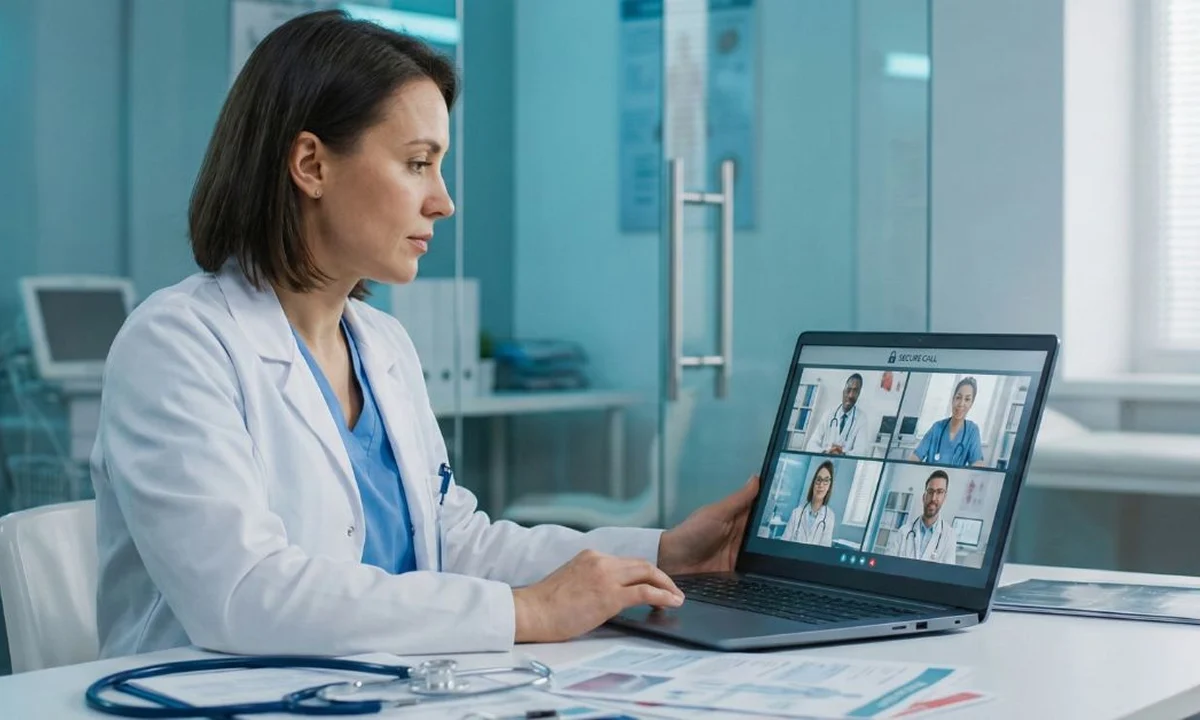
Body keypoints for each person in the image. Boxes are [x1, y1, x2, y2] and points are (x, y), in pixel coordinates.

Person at [91, 10, 759, 660]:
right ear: (311, 165)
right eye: (417, 163)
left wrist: (661, 554)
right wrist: (528, 611)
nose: (443, 201)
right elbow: (243, 595)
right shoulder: (177, 345)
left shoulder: (382, 346)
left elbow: (452, 545)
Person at [908, 377, 985, 467]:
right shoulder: (937, 427)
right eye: (958, 397)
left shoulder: (972, 431)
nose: (961, 404)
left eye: (967, 399)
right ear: (953, 399)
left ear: (971, 404)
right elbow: (916, 456)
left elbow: (977, 462)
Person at [885, 470, 958, 564]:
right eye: (930, 491)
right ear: (924, 497)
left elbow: (948, 571)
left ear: (944, 498)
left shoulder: (949, 536)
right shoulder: (904, 532)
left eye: (939, 492)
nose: (933, 498)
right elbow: (888, 564)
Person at [807, 373, 868, 456]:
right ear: (843, 390)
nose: (851, 395)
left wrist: (843, 454)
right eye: (848, 390)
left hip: (844, 462)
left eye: (855, 391)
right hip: (823, 459)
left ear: (859, 394)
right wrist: (826, 452)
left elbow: (861, 452)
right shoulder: (829, 414)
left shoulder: (862, 418)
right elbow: (811, 445)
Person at [782, 461, 837, 547]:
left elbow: (824, 550)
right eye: (818, 479)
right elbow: (783, 543)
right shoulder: (796, 513)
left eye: (826, 481)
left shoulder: (830, 517)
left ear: (829, 487)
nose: (821, 485)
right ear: (813, 483)